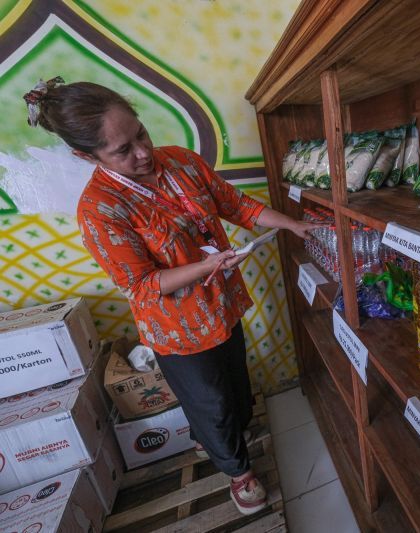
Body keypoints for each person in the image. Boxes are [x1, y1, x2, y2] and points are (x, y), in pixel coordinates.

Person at [24, 77, 319, 515]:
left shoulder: (181, 162)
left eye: (140, 133)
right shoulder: (100, 210)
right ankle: (238, 473)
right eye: (122, 150)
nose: (142, 152)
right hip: (177, 328)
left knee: (236, 386)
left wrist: (292, 224)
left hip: (222, 305)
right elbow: (142, 285)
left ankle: (214, 439)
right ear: (86, 156)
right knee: (211, 401)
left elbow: (237, 205)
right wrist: (207, 266)